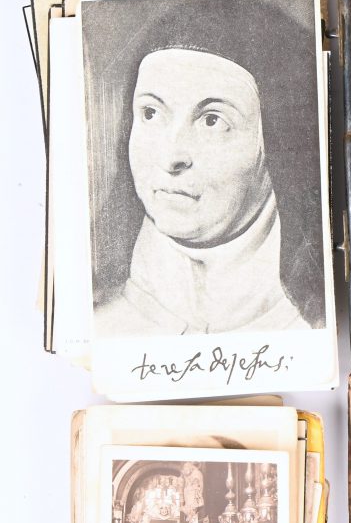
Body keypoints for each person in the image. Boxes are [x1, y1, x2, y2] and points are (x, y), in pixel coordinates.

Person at [94, 46, 311, 336]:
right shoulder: (93, 319)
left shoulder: (313, 327)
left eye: (212, 121)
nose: (170, 158)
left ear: (277, 142)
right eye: (150, 113)